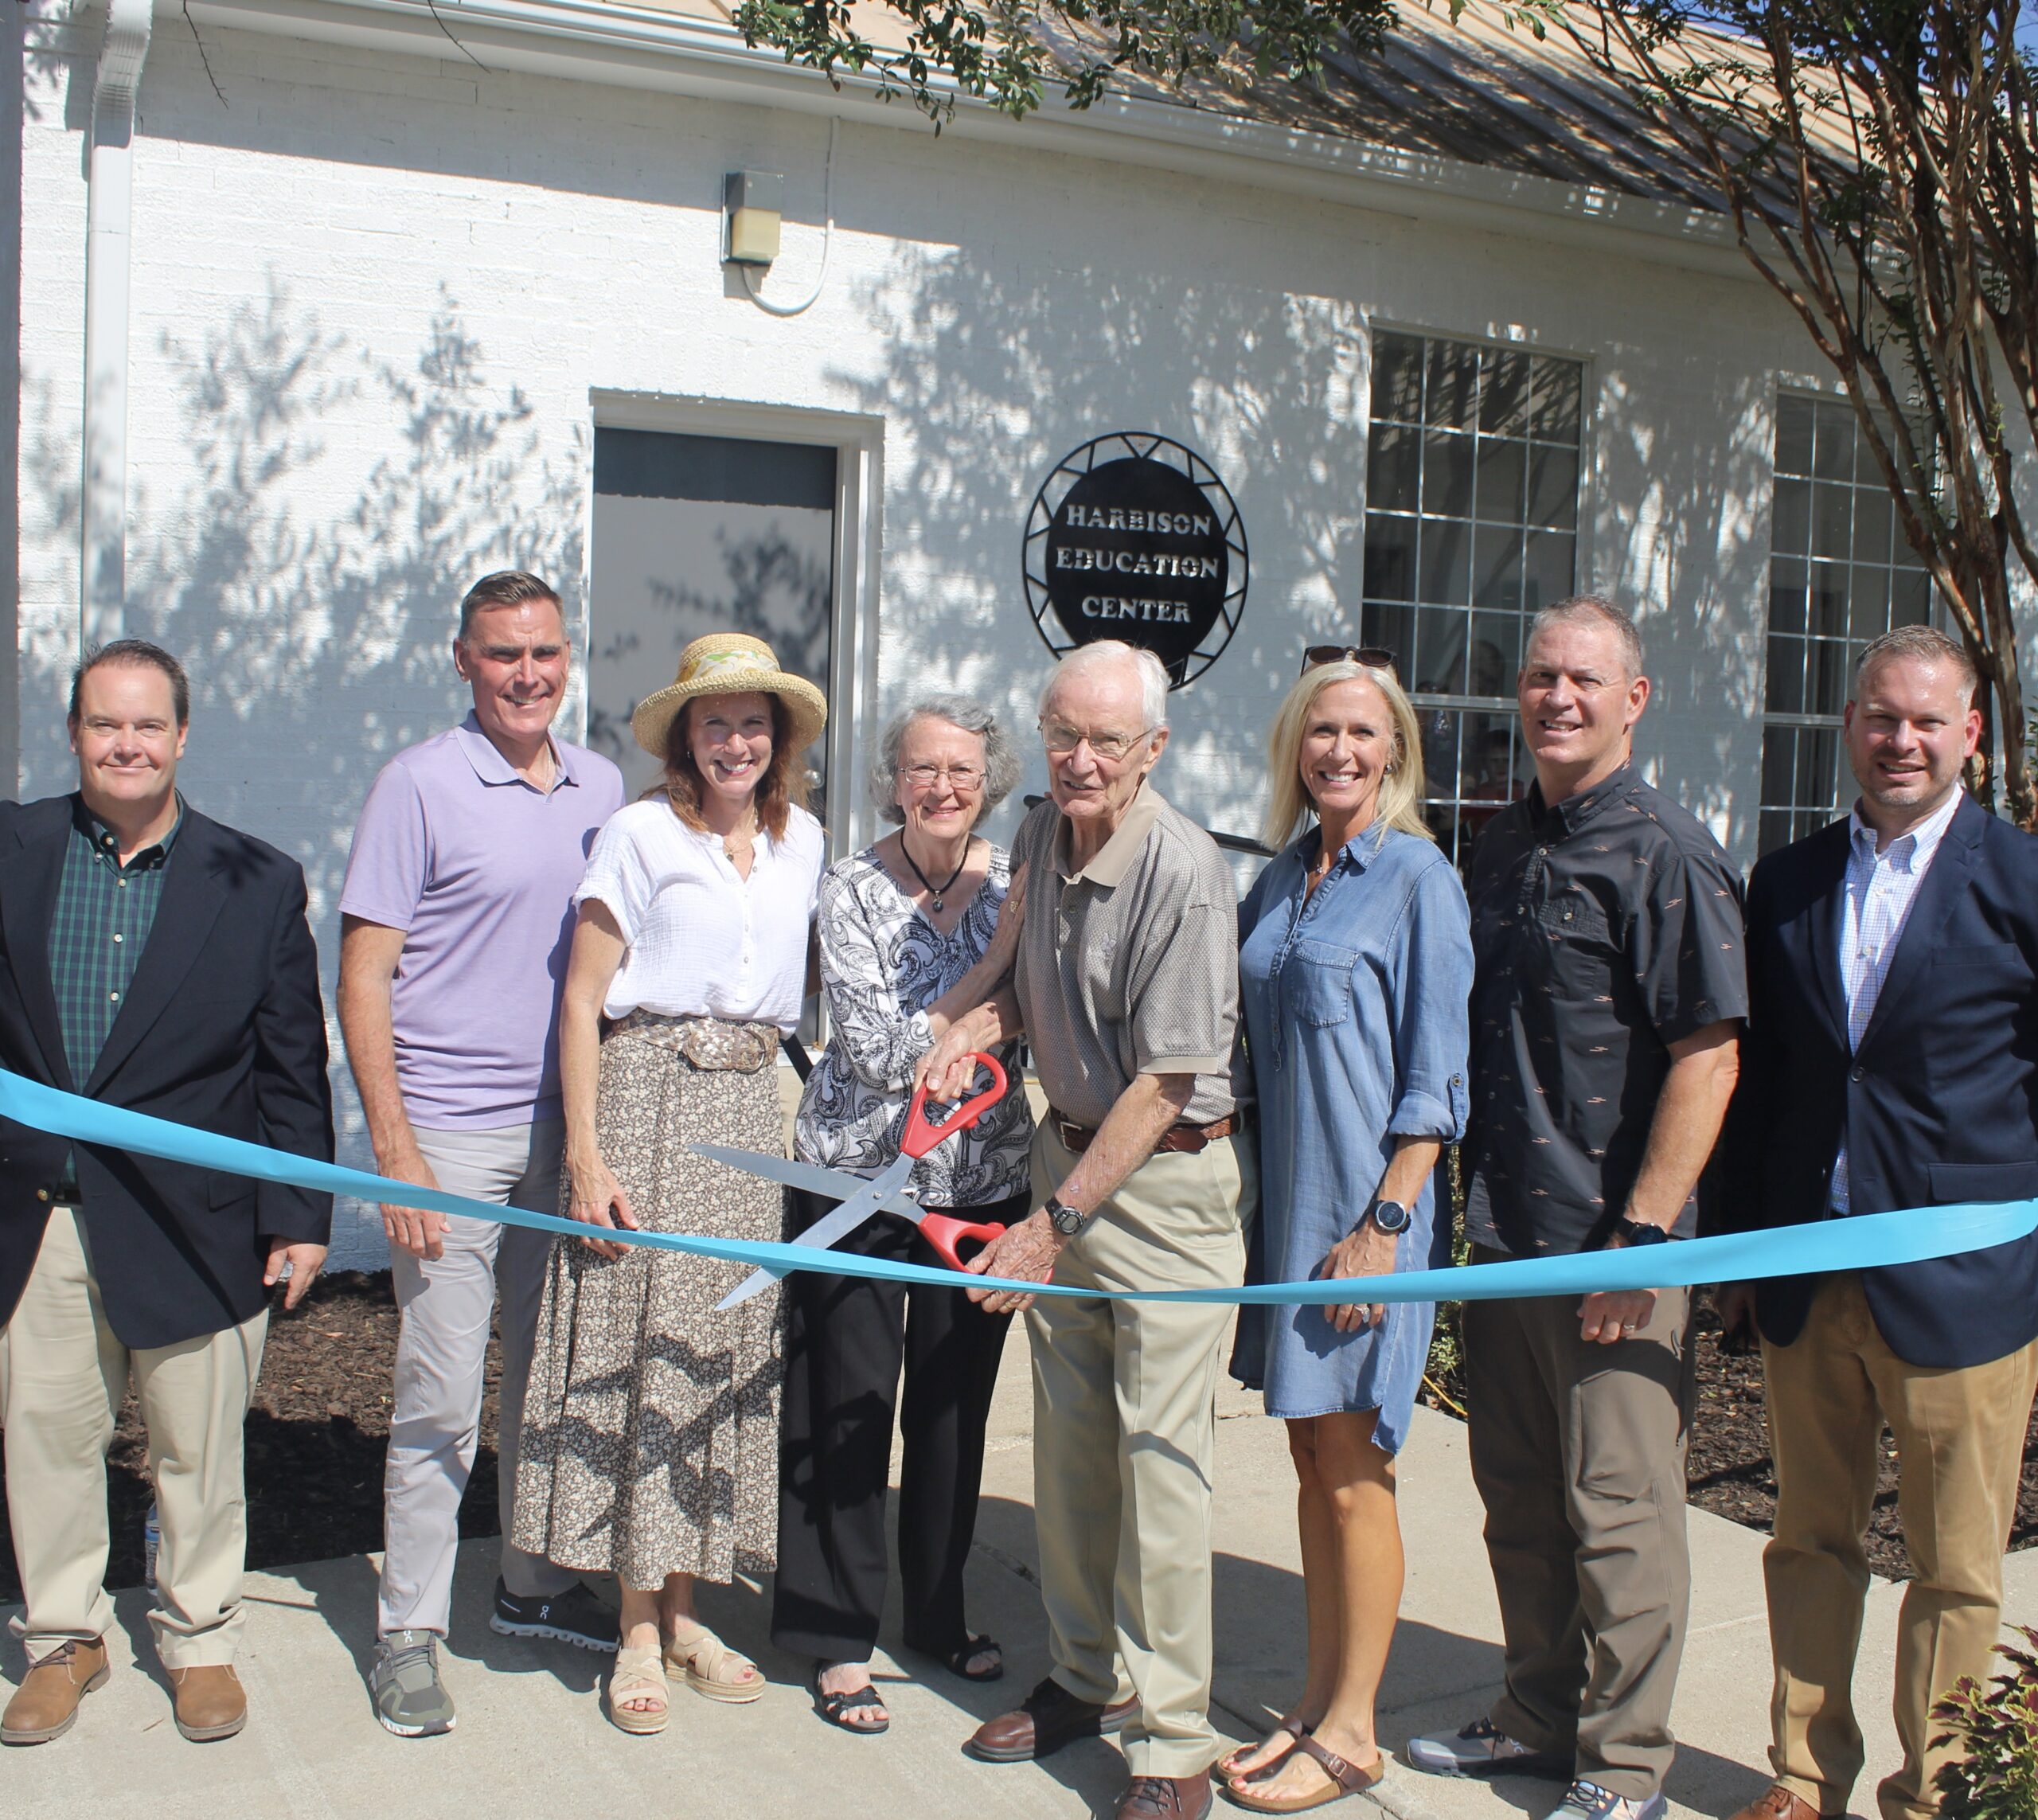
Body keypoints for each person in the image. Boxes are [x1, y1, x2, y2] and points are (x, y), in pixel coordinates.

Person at [1407, 596, 1745, 1820]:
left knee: (1621, 1517)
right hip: (1504, 1240)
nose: (1558, 696)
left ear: (1634, 700)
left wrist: (1644, 1242)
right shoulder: (1504, 842)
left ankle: (1626, 1766)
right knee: (1521, 1499)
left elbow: (1709, 1057)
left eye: (1585, 680)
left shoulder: (1666, 852)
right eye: (1542, 675)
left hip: (1613, 1247)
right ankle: (1538, 1715)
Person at [923, 639, 1255, 1820]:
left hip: (1160, 1190)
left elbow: (1170, 1079)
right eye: (1062, 731)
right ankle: (1082, 1675)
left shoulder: (1186, 870)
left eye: (1105, 739)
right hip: (1070, 1160)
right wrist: (969, 1024)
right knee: (1068, 1454)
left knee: (1160, 1466)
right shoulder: (1039, 835)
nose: (1077, 756)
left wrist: (1049, 1224)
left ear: (1152, 749)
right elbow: (1021, 980)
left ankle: (1172, 1744)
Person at [1718, 625, 2038, 1820]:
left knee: (1956, 1570)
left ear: (1970, 733)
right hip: (1812, 1275)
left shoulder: (2021, 885)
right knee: (1810, 1543)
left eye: (1924, 719)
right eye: (1877, 716)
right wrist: (1744, 1258)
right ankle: (1804, 1780)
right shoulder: (1787, 881)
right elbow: (1769, 1084)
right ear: (1849, 724)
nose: (1899, 739)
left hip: (1966, 1284)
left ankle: (1936, 1795)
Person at [0, 640, 333, 1749]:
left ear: (182, 736)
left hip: (199, 1221)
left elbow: (291, 1063)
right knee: (46, 1433)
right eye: (105, 725)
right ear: (75, 733)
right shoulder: (11, 851)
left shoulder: (257, 878)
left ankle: (199, 1637)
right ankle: (66, 1636)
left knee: (197, 1448)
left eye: (147, 726)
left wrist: (299, 1214)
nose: (126, 745)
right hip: (41, 1212)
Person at [510, 631, 827, 1736]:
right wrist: (586, 1156)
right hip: (649, 1098)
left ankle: (691, 1607)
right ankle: (636, 1622)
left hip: (751, 1112)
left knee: (717, 1347)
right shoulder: (642, 833)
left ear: (776, 738)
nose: (735, 740)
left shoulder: (804, 842)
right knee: (640, 1341)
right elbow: (581, 999)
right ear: (685, 738)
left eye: (753, 721)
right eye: (715, 721)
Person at [337, 570, 627, 1737]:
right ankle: (409, 1626)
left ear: (568, 656)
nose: (526, 675)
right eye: (502, 654)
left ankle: (530, 1580)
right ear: (463, 659)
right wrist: (393, 1151)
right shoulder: (416, 784)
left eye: (545, 653)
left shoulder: (605, 786)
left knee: (549, 1379)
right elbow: (363, 976)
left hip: (564, 1134)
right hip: (449, 1137)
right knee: (443, 1393)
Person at [1220, 654, 1472, 1814]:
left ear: (1396, 750)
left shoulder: (1420, 878)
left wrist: (1382, 1225)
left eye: (1364, 733)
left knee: (1356, 1466)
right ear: (1295, 744)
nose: (1341, 750)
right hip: (1289, 1222)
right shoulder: (1278, 881)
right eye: (1323, 730)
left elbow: (1437, 1082)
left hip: (1369, 1221)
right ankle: (1318, 1703)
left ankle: (1356, 1730)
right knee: (1310, 1459)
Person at [771, 697, 1034, 1735]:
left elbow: (1037, 1016)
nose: (941, 786)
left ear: (989, 778)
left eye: (961, 769)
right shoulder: (850, 886)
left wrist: (998, 1012)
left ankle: (935, 1608)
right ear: (893, 780)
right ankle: (836, 1635)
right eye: (922, 768)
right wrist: (985, 996)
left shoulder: (1020, 879)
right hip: (857, 1184)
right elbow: (876, 1052)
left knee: (950, 1413)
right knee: (845, 1401)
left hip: (983, 1184)